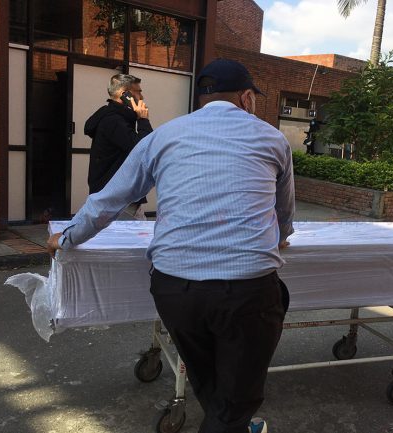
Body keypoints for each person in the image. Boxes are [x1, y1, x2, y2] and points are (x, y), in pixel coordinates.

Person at [48, 58, 295, 433]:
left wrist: (66, 237)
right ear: (247, 97)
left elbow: (108, 199)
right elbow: (283, 212)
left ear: (202, 99)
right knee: (237, 397)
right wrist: (278, 237)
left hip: (175, 289)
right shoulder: (272, 138)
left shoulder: (163, 137)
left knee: (207, 377)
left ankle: (231, 422)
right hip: (246, 289)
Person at [85, 73, 152, 220]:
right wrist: (143, 120)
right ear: (125, 94)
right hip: (117, 200)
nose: (142, 96)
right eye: (138, 92)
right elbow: (143, 148)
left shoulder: (117, 118)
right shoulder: (113, 120)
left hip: (118, 197)